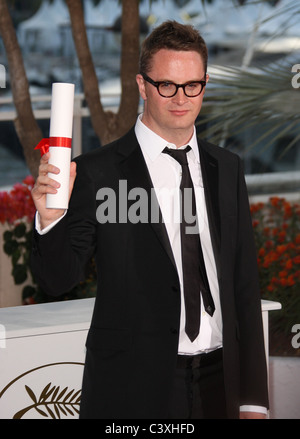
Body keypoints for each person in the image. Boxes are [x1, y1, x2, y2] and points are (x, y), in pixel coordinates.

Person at [31, 21, 269, 419]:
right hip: (133, 388)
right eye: (167, 86)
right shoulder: (97, 172)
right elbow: (57, 280)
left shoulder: (227, 167)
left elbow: (245, 286)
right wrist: (50, 221)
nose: (181, 98)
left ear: (205, 84)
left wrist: (253, 400)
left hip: (220, 382)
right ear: (142, 85)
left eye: (192, 85)